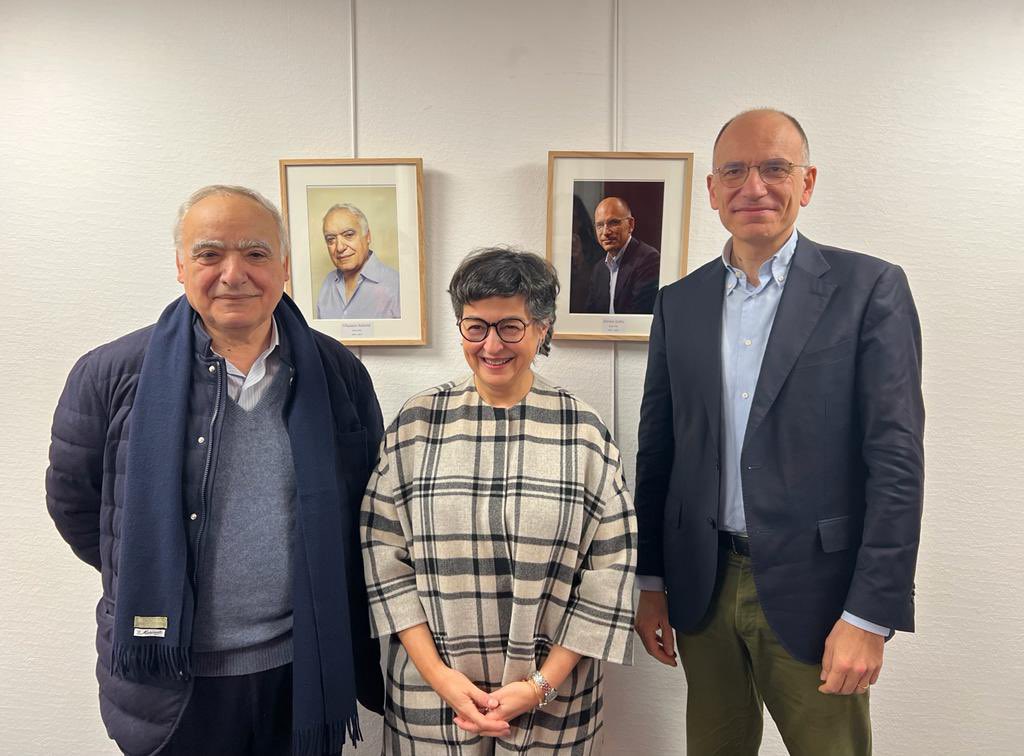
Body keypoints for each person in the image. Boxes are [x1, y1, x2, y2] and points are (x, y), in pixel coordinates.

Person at [45, 185, 385, 756]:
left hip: (298, 668)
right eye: (209, 254)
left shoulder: (338, 374)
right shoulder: (110, 374)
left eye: (255, 254)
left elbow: (368, 503)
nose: (234, 274)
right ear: (181, 266)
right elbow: (78, 506)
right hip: (173, 678)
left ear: (283, 266)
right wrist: (151, 565)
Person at [633, 109, 924, 755]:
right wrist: (650, 581)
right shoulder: (678, 302)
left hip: (818, 594)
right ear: (712, 190)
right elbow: (659, 451)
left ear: (808, 181)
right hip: (701, 585)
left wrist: (870, 616)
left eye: (774, 168)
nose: (753, 186)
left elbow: (897, 464)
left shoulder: (869, 289)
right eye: (734, 170)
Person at [361, 248, 636, 755]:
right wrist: (442, 680)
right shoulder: (417, 425)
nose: (491, 345)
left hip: (554, 702)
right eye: (475, 326)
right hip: (432, 696)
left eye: (510, 326)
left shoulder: (583, 432)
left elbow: (609, 573)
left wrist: (539, 686)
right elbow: (385, 561)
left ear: (542, 328)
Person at [316, 202, 401, 319]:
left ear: (368, 236)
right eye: (331, 239)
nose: (340, 247)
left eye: (349, 235)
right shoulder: (327, 284)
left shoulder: (396, 285)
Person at [584, 196, 660, 314]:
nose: (605, 232)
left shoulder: (649, 260)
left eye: (613, 223)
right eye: (599, 225)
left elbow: (639, 315)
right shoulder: (599, 269)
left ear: (630, 225)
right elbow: (590, 315)